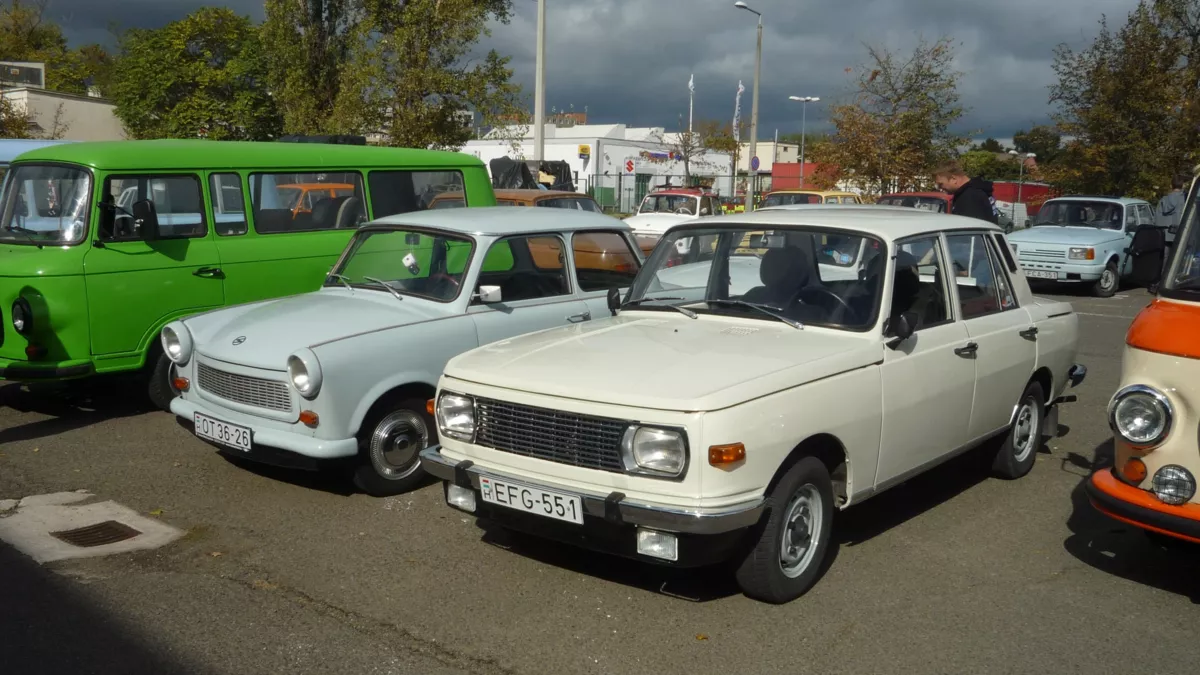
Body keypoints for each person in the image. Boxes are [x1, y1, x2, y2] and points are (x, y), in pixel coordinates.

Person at [932, 162, 999, 224]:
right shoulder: (975, 191)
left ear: (953, 179)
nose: (939, 188)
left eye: (941, 184)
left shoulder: (971, 196)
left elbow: (969, 230)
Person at [1156, 173, 1188, 240]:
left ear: (1171, 186)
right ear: (1183, 186)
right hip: (1178, 238)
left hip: (1161, 237)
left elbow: (1156, 219)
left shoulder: (1162, 200)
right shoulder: (1185, 200)